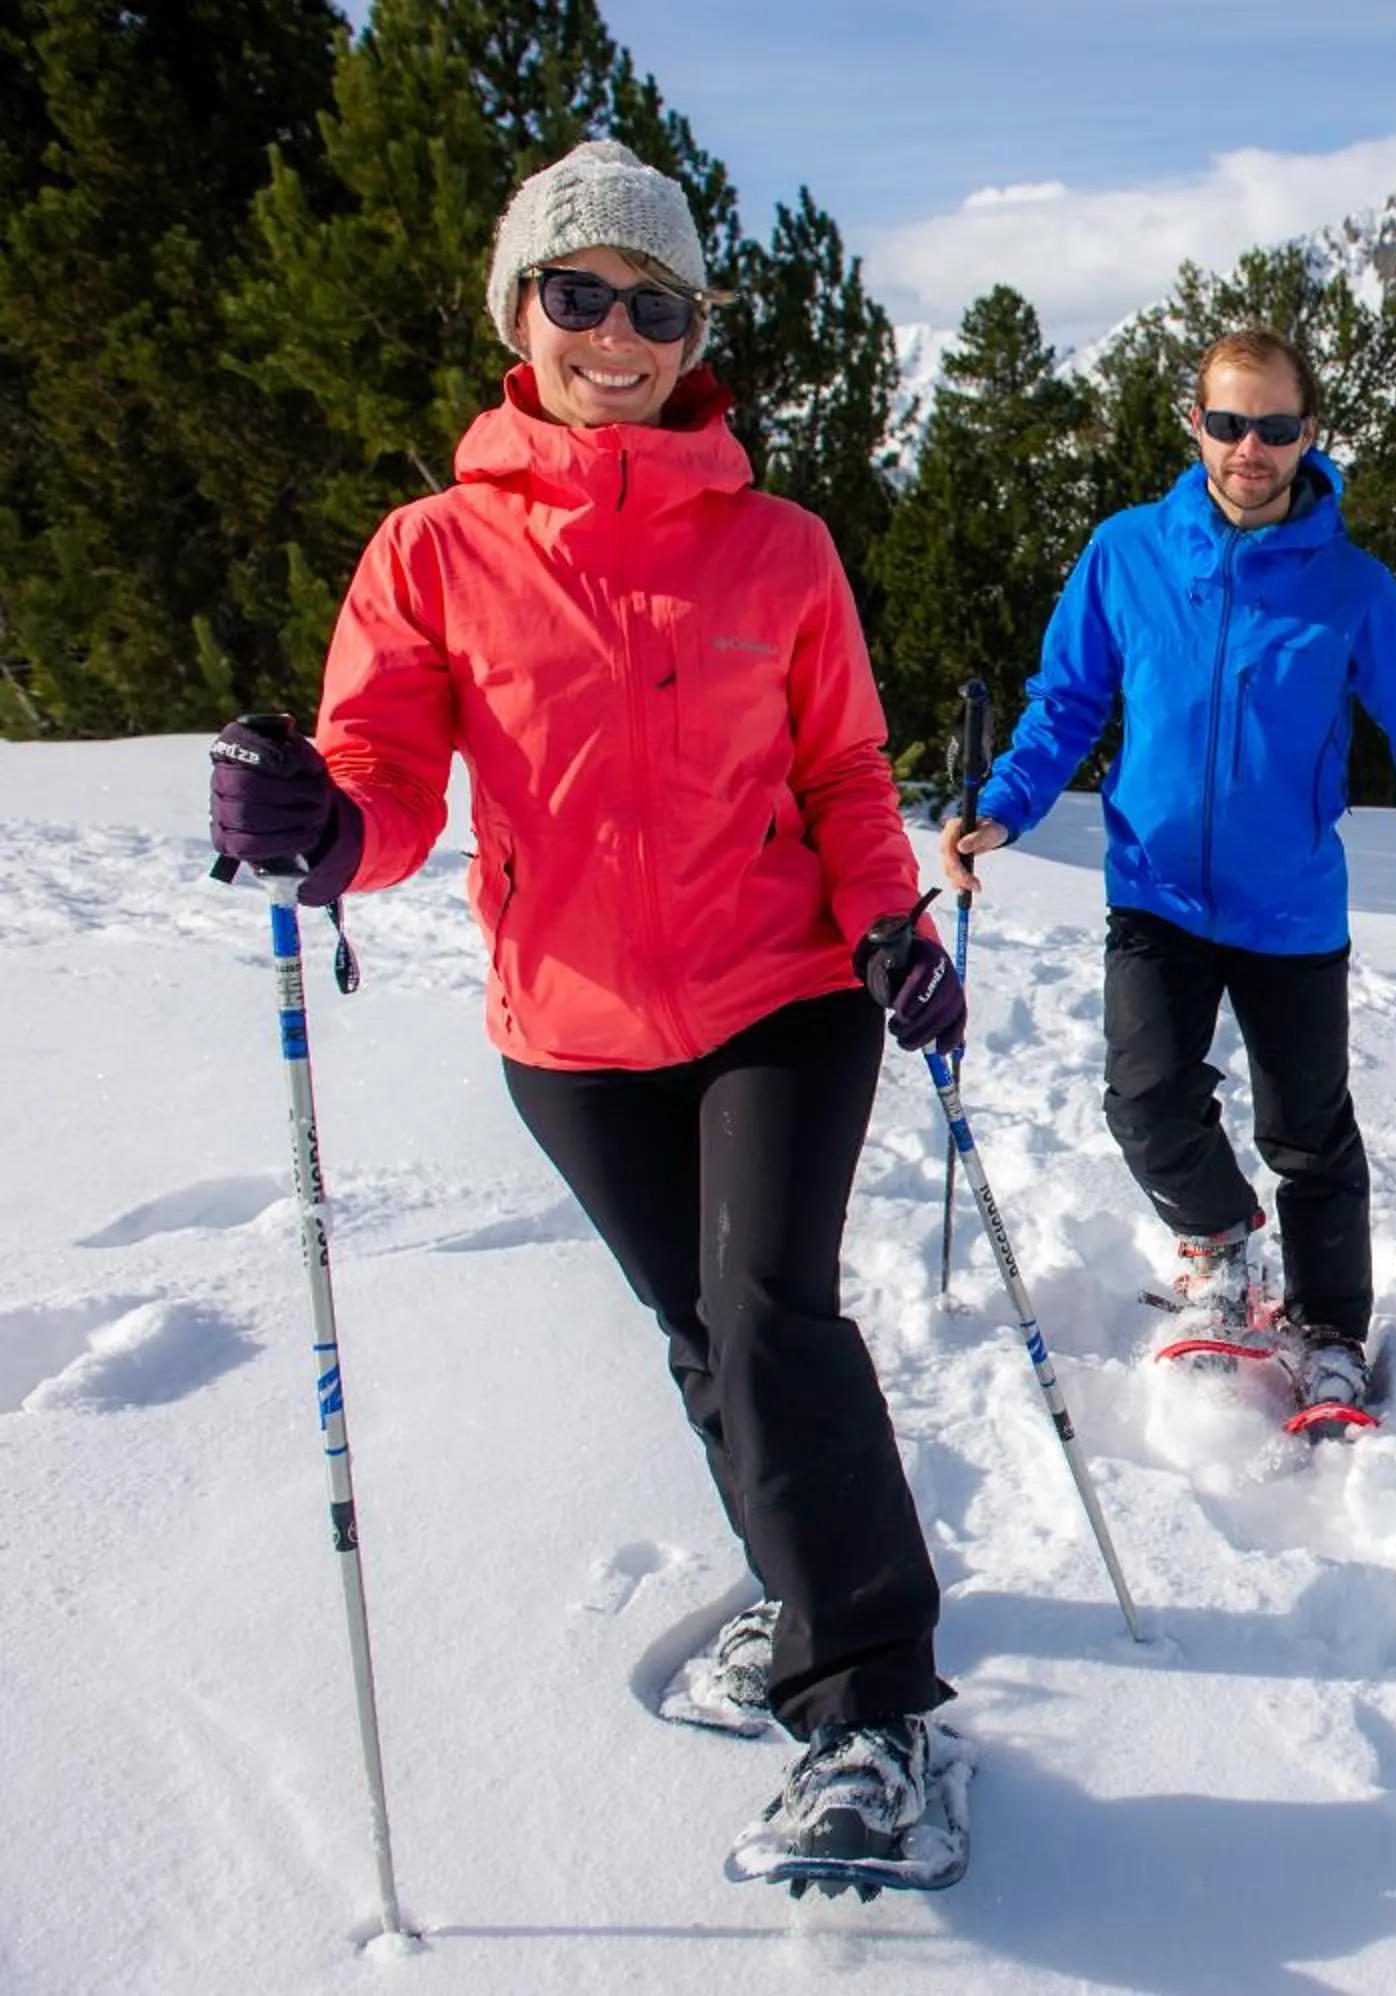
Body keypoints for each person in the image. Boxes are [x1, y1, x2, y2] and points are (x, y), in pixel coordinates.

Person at [206, 140, 954, 1874]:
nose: (615, 331)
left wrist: (894, 924)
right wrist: (322, 831)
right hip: (576, 1033)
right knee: (705, 1336)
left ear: (696, 331)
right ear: (518, 312)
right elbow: (381, 769)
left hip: (783, 992)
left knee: (771, 1320)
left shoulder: (777, 548)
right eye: (579, 292)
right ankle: (803, 1586)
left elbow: (843, 770)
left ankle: (871, 1712)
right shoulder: (436, 553)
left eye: (655, 302)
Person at [938, 328, 1396, 1421]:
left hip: (1288, 905)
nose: (1251, 447)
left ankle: (1331, 1332)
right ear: (1194, 424)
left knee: (1308, 1134)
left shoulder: (1351, 586)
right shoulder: (1127, 552)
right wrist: (1001, 806)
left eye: (1275, 426)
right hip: (1156, 891)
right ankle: (1227, 1249)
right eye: (1230, 422)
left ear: (1309, 433)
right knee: (1144, 1099)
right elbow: (1066, 704)